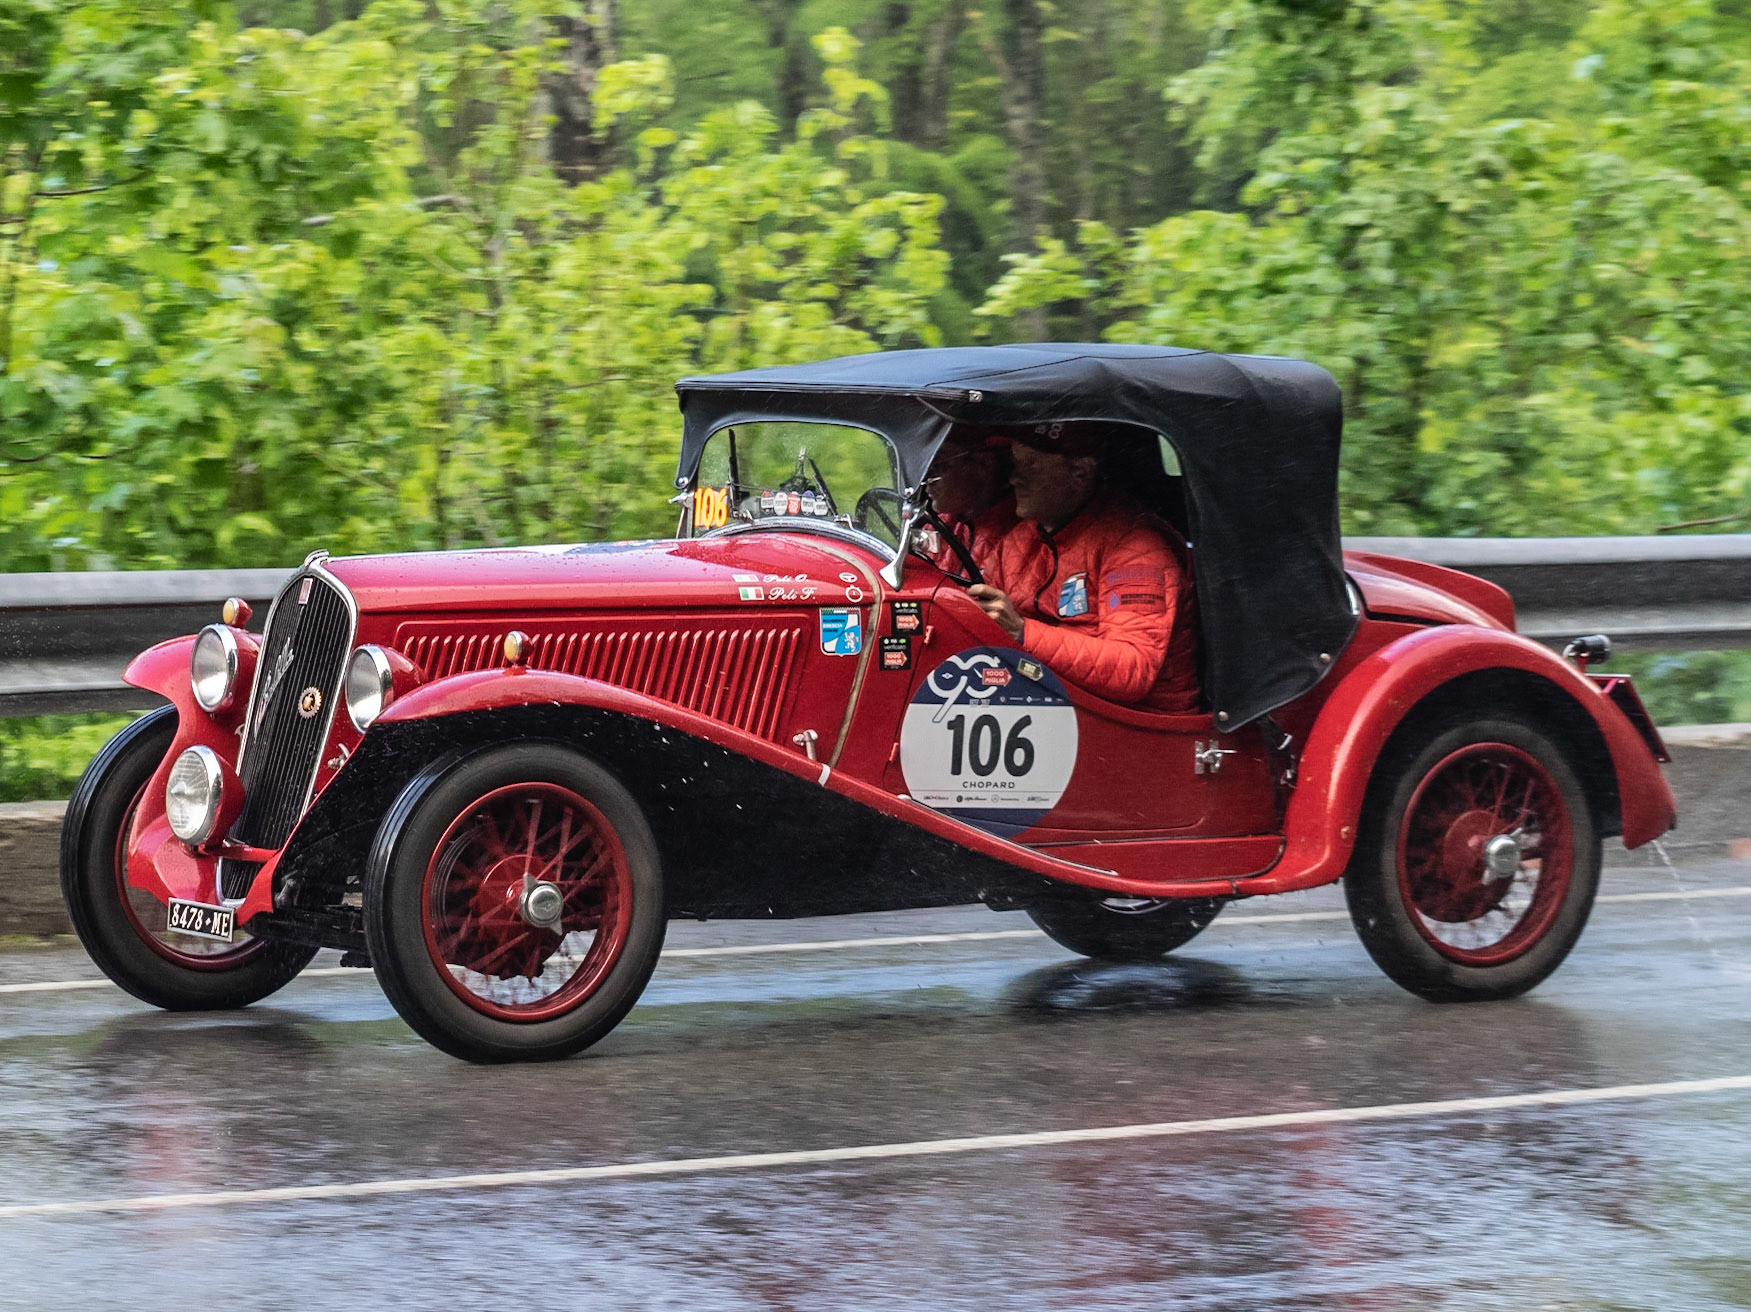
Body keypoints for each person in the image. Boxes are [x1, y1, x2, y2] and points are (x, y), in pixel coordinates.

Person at [968, 423, 1200, 712]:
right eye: (1015, 463)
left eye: (1031, 465)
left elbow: (1132, 667)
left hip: (1137, 726)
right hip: (1058, 704)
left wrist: (1021, 631)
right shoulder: (1022, 537)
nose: (1014, 478)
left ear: (1080, 472)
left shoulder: (1137, 549)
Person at [921, 429, 1018, 578]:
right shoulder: (938, 528)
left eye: (939, 465)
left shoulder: (1018, 541)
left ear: (983, 465)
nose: (926, 479)